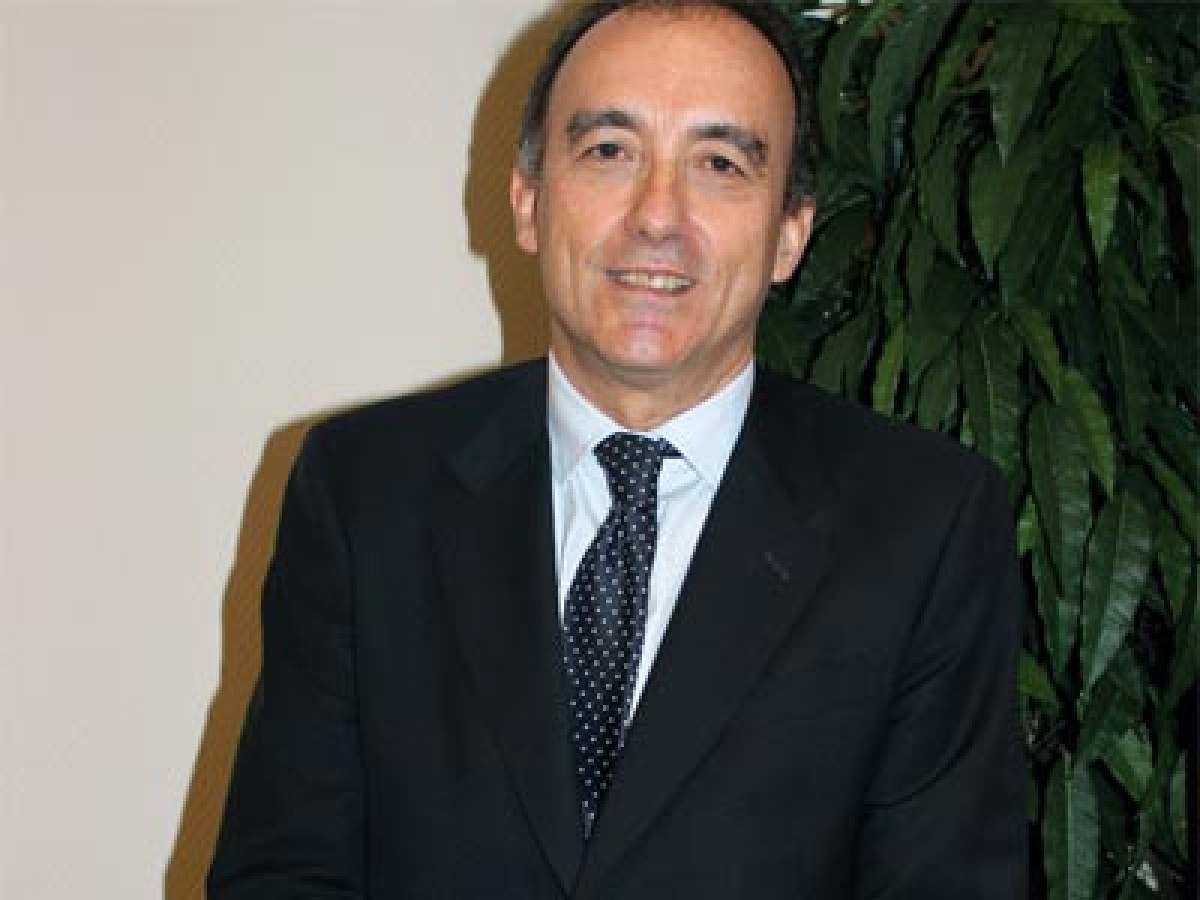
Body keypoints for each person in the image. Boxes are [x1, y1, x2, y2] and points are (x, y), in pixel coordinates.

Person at [207, 1, 1027, 897]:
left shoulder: (925, 525)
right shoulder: (363, 494)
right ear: (528, 200)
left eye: (720, 164)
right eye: (610, 151)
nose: (657, 216)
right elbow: (281, 875)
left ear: (791, 233)